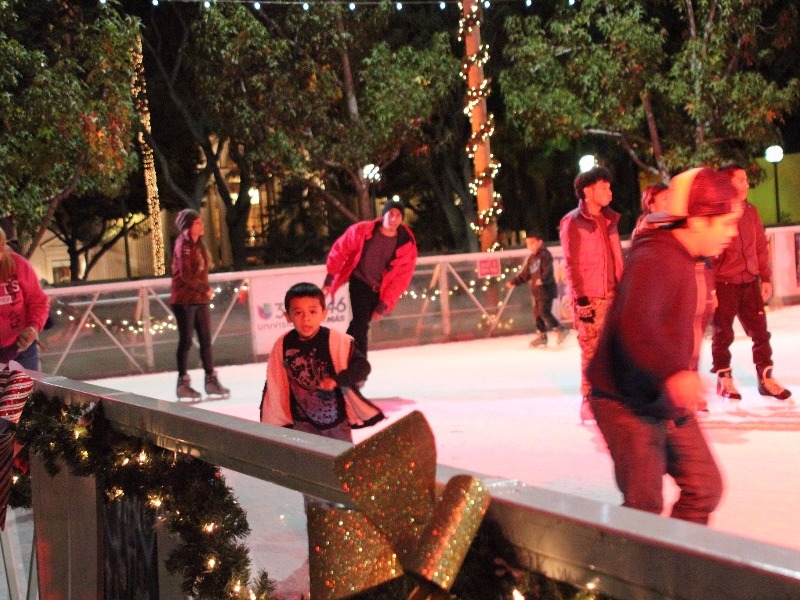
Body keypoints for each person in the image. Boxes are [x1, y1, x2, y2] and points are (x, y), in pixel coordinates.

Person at [586, 166, 741, 524]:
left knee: (703, 487)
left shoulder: (696, 259)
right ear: (699, 220)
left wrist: (681, 375)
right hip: (623, 400)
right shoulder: (656, 258)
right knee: (644, 505)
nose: (732, 233)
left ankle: (677, 564)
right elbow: (636, 326)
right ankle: (634, 574)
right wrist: (674, 374)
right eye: (727, 223)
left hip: (663, 397)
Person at [260, 282, 384, 442]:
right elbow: (276, 381)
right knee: (309, 464)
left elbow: (362, 366)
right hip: (303, 424)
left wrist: (337, 380)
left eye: (312, 311)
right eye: (298, 313)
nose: (306, 318)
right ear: (288, 316)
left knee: (341, 462)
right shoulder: (283, 344)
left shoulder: (335, 340)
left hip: (337, 423)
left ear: (323, 313)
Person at [711, 164, 791, 402]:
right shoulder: (718, 214)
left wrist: (765, 277)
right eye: (741, 180)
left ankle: (765, 378)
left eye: (746, 180)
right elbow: (710, 254)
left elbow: (760, 247)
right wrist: (711, 288)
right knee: (722, 334)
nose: (747, 184)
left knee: (760, 333)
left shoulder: (751, 211)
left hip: (749, 283)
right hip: (724, 283)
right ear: (728, 183)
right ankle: (724, 378)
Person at [559, 167, 624, 421]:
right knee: (591, 349)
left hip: (613, 294)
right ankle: (589, 399)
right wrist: (581, 298)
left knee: (613, 350)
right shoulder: (573, 222)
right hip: (591, 297)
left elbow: (617, 258)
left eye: (610, 186)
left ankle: (611, 397)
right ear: (588, 191)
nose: (610, 191)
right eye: (604, 187)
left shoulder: (610, 221)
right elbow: (571, 263)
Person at [322, 199, 417, 358]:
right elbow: (340, 249)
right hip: (360, 281)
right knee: (361, 324)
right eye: (390, 214)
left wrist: (383, 304)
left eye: (398, 216)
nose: (393, 219)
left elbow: (401, 279)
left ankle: (336, 354)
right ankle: (358, 363)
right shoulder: (362, 231)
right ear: (383, 215)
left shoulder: (406, 245)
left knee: (359, 324)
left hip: (379, 289)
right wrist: (330, 276)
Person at [170, 209, 229, 400]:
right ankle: (182, 383)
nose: (202, 226)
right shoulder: (183, 245)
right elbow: (186, 275)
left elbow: (201, 272)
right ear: (188, 226)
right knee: (186, 340)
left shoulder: (199, 245)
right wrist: (205, 288)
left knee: (205, 340)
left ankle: (210, 380)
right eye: (197, 223)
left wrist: (204, 290)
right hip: (184, 300)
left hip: (200, 299)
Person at [506, 232, 568, 347]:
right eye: (528, 243)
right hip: (537, 291)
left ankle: (560, 329)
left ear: (540, 242)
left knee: (544, 311)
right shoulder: (531, 258)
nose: (530, 245)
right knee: (537, 315)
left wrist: (543, 279)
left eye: (532, 243)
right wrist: (514, 281)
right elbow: (525, 274)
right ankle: (542, 336)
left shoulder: (545, 255)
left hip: (546, 289)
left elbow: (548, 270)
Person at [0, 227, 50, 370]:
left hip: (21, 349)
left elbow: (38, 302)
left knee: (24, 391)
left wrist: (33, 328)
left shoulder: (19, 265)